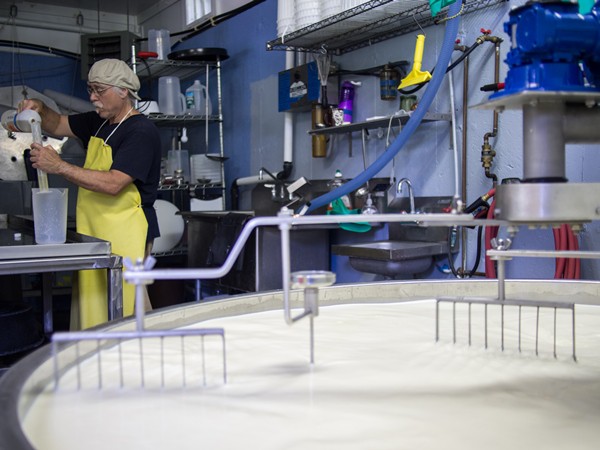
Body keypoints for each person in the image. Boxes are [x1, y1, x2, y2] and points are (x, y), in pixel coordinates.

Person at [20, 58, 162, 330]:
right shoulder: (99, 122)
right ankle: (94, 360)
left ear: (123, 91)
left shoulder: (140, 131)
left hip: (127, 234)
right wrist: (39, 108)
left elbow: (113, 184)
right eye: (90, 90)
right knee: (93, 303)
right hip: (96, 232)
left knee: (126, 308)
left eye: (99, 90)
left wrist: (59, 166)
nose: (93, 98)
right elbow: (57, 123)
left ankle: (132, 365)